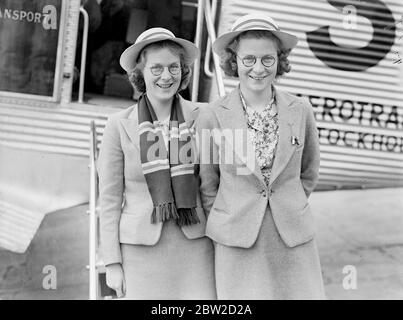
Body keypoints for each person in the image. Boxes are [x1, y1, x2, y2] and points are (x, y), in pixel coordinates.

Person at [196, 13, 326, 299]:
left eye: (268, 59)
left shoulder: (300, 110)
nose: (258, 68)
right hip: (238, 240)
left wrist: (287, 203)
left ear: (279, 60)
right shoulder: (213, 115)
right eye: (248, 59)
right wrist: (230, 216)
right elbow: (208, 183)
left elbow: (308, 172)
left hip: (292, 235)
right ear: (234, 61)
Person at [97, 27, 216, 299]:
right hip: (139, 251)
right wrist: (112, 263)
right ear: (140, 73)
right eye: (157, 68)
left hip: (196, 248)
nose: (166, 76)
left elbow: (211, 190)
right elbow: (110, 200)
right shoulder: (118, 125)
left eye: (174, 67)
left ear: (183, 72)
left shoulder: (204, 116)